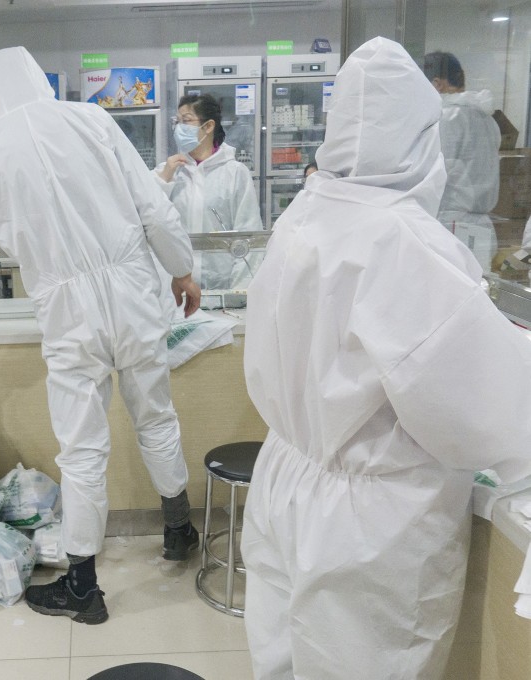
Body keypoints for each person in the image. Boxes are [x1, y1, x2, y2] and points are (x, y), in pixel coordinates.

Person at [241, 37, 531, 679]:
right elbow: (478, 409)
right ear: (422, 136)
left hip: (287, 479)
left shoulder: (305, 213)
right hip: (370, 525)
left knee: (283, 659)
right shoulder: (403, 240)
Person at [0, 46, 203, 625]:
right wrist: (182, 268)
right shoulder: (90, 118)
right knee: (157, 418)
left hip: (69, 315)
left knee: (83, 448)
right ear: (37, 79)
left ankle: (84, 588)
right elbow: (152, 206)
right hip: (136, 292)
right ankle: (178, 530)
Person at [155, 93, 263, 290]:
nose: (179, 128)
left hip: (221, 286)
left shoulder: (235, 173)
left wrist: (239, 291)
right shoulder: (167, 170)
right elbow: (149, 219)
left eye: (186, 121)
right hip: (175, 288)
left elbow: (247, 236)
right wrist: (164, 179)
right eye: (177, 122)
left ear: (209, 126)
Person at [423, 50, 501, 273]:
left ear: (437, 84)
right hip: (482, 227)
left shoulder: (447, 118)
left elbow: (434, 175)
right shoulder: (487, 120)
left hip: (450, 226)